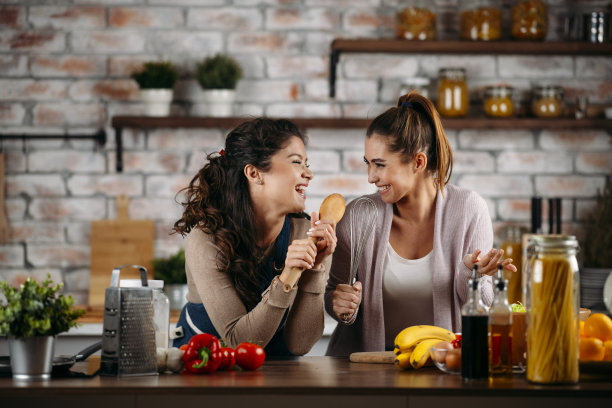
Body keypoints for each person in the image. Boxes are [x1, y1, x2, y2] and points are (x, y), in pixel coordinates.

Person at [324, 92, 516, 357]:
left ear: (418, 162)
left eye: (380, 165)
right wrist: (340, 304)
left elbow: (483, 304)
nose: (370, 177)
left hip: (442, 365)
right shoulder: (358, 215)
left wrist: (472, 274)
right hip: (364, 367)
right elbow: (333, 295)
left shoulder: (469, 210)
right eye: (368, 164)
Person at [172, 118, 337, 356]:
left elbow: (300, 345)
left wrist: (316, 268)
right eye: (296, 162)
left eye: (306, 164)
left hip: (278, 376)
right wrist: (288, 275)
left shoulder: (306, 233)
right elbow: (239, 343)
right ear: (254, 173)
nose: (309, 173)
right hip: (205, 372)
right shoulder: (206, 240)